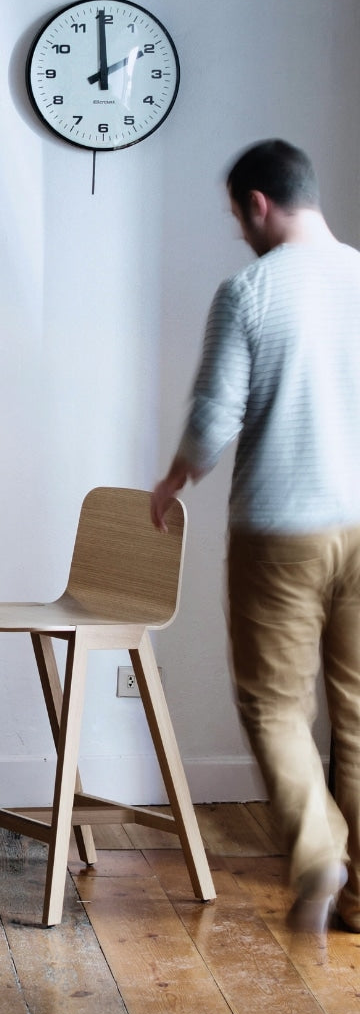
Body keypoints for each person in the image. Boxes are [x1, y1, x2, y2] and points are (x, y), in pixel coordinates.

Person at [150, 139, 360, 933]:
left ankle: (316, 852)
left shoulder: (251, 291)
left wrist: (174, 479)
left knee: (273, 705)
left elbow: (213, 418)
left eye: (239, 215)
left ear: (258, 204)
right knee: (358, 710)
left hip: (282, 526)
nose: (240, 229)